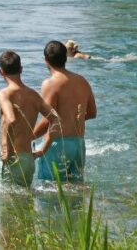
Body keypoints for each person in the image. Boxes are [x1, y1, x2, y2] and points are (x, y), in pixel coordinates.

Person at [32, 41, 97, 182]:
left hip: (56, 145)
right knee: (76, 193)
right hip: (78, 144)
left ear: (46, 60)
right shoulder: (82, 81)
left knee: (49, 192)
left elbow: (47, 120)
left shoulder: (50, 83)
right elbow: (92, 113)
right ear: (66, 58)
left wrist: (28, 137)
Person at [0, 51, 58, 187]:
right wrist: (44, 148)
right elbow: (55, 119)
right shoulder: (33, 95)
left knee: (4, 204)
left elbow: (11, 119)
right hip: (28, 159)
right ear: (21, 69)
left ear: (1, 72)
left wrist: (7, 149)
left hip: (12, 159)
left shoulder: (4, 94)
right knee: (26, 203)